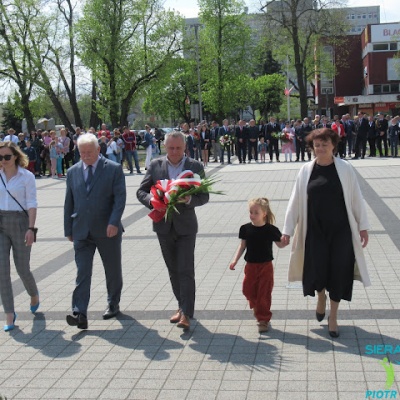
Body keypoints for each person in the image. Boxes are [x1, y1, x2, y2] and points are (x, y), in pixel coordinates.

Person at [281, 128, 370, 338]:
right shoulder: (305, 170)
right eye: (317, 145)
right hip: (315, 230)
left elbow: (357, 198)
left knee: (339, 271)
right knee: (318, 269)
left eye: (325, 144)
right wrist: (287, 230)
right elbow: (294, 201)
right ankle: (320, 296)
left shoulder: (345, 169)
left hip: (341, 231)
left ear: (333, 145)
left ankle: (334, 316)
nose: (320, 148)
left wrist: (363, 226)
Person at [137, 131, 209, 330]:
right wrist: (152, 201)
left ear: (184, 147)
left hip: (186, 226)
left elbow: (204, 196)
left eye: (178, 148)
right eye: (171, 148)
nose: (175, 152)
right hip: (163, 225)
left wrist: (190, 200)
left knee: (186, 269)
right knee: (173, 270)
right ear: (165, 147)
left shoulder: (194, 166)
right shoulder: (155, 166)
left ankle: (186, 312)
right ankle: (181, 305)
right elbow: (141, 191)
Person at [64, 134, 126, 329]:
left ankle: (113, 303)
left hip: (107, 229)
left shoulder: (113, 169)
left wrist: (114, 222)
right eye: (82, 153)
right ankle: (79, 312)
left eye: (89, 152)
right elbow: (69, 202)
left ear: (98, 150)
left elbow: (120, 198)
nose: (85, 156)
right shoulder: (73, 171)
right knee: (83, 271)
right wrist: (68, 228)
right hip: (81, 230)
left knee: (112, 269)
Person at [0, 141, 39, 331]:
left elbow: (32, 203)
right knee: (2, 271)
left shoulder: (26, 176)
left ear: (15, 156)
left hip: (21, 222)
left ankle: (33, 293)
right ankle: (9, 314)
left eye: (7, 157)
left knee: (22, 268)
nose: (3, 161)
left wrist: (31, 229)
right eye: (0, 158)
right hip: (1, 222)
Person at [229, 198, 284, 333]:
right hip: (251, 266)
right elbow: (242, 246)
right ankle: (257, 308)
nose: (252, 215)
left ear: (264, 213)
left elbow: (280, 245)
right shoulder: (245, 228)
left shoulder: (271, 230)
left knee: (264, 293)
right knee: (247, 290)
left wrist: (287, 240)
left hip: (266, 266)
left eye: (256, 212)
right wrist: (235, 260)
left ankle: (263, 319)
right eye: (251, 212)